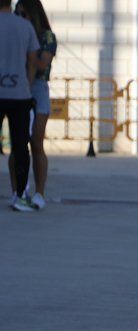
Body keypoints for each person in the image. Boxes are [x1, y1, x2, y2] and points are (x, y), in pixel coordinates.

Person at [10, 0, 55, 210]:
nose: (19, 17)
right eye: (16, 13)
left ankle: (40, 192)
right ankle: (17, 191)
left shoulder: (46, 36)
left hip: (38, 86)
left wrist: (26, 50)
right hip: (18, 83)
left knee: (36, 140)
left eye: (23, 13)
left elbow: (42, 63)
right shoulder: (16, 32)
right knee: (18, 143)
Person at [0, 0, 39, 212]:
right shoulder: (25, 26)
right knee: (20, 146)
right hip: (19, 94)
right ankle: (21, 196)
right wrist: (28, 82)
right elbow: (33, 59)